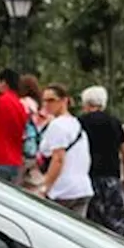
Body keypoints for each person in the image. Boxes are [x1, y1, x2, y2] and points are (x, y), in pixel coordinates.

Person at [78, 85, 124, 236]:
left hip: (90, 176)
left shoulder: (80, 122)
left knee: (93, 224)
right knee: (115, 222)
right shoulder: (114, 122)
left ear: (85, 103)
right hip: (111, 177)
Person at [37, 83, 93, 217]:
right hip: (82, 187)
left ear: (64, 101)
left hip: (62, 190)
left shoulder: (57, 125)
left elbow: (58, 159)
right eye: (44, 100)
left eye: (51, 100)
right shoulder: (75, 123)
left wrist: (45, 187)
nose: (46, 104)